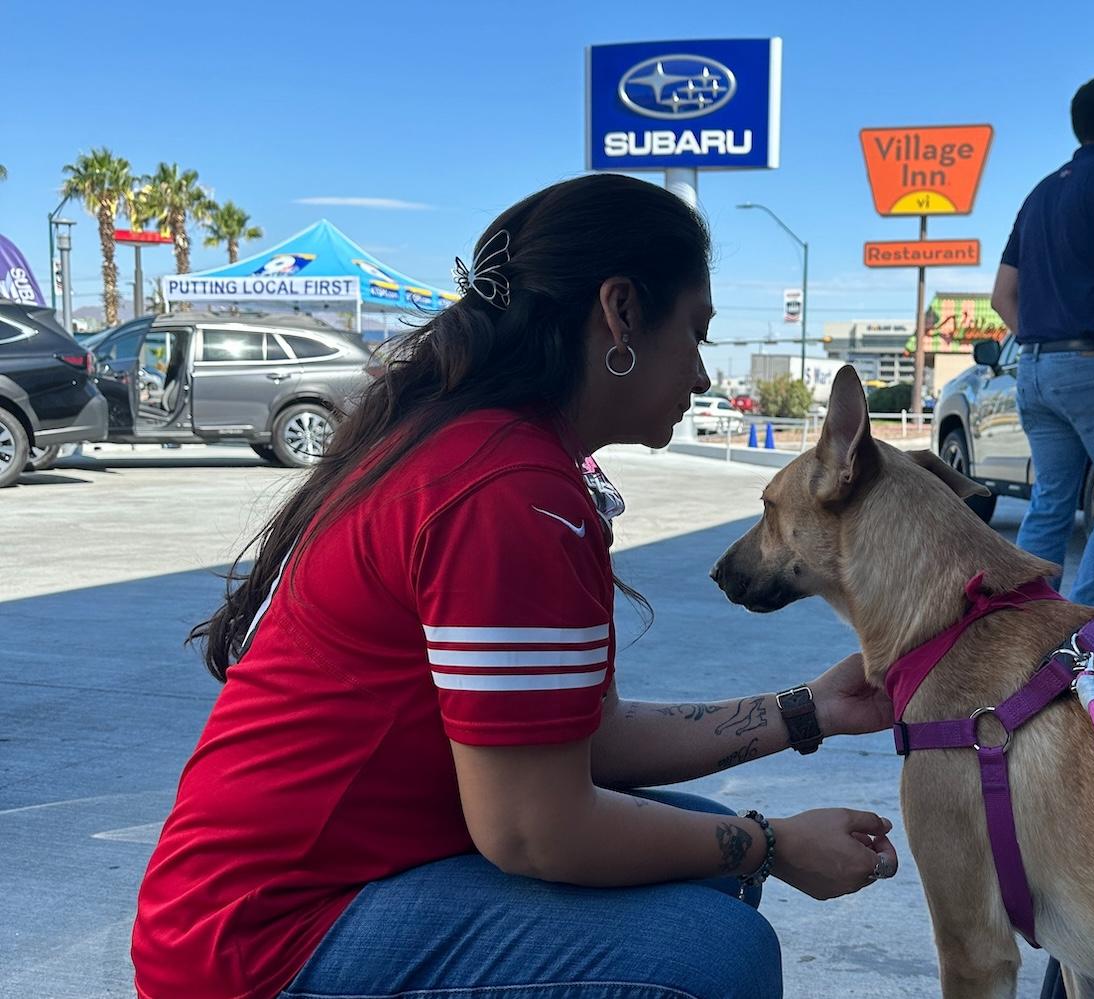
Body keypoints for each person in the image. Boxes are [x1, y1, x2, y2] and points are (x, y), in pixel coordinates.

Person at [131, 174, 900, 999]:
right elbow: (537, 830)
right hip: (260, 940)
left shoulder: (489, 453)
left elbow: (581, 742)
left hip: (295, 891)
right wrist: (773, 842)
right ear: (621, 312)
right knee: (711, 953)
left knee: (697, 853)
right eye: (696, 331)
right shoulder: (505, 490)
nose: (705, 375)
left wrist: (809, 710)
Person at [990, 72, 1094, 613]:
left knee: (1051, 500)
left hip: (1034, 369)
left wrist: (1044, 344)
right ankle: (1082, 630)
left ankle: (1026, 624)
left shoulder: (1040, 192)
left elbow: (1002, 295)